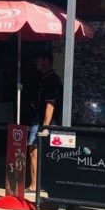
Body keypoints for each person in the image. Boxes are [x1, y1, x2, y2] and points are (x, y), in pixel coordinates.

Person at [27, 50, 63, 194]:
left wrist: (45, 126)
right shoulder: (44, 78)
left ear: (46, 60)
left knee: (34, 150)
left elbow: (50, 104)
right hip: (41, 120)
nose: (36, 62)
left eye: (39, 59)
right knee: (37, 151)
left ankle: (35, 185)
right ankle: (37, 183)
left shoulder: (51, 79)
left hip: (44, 122)